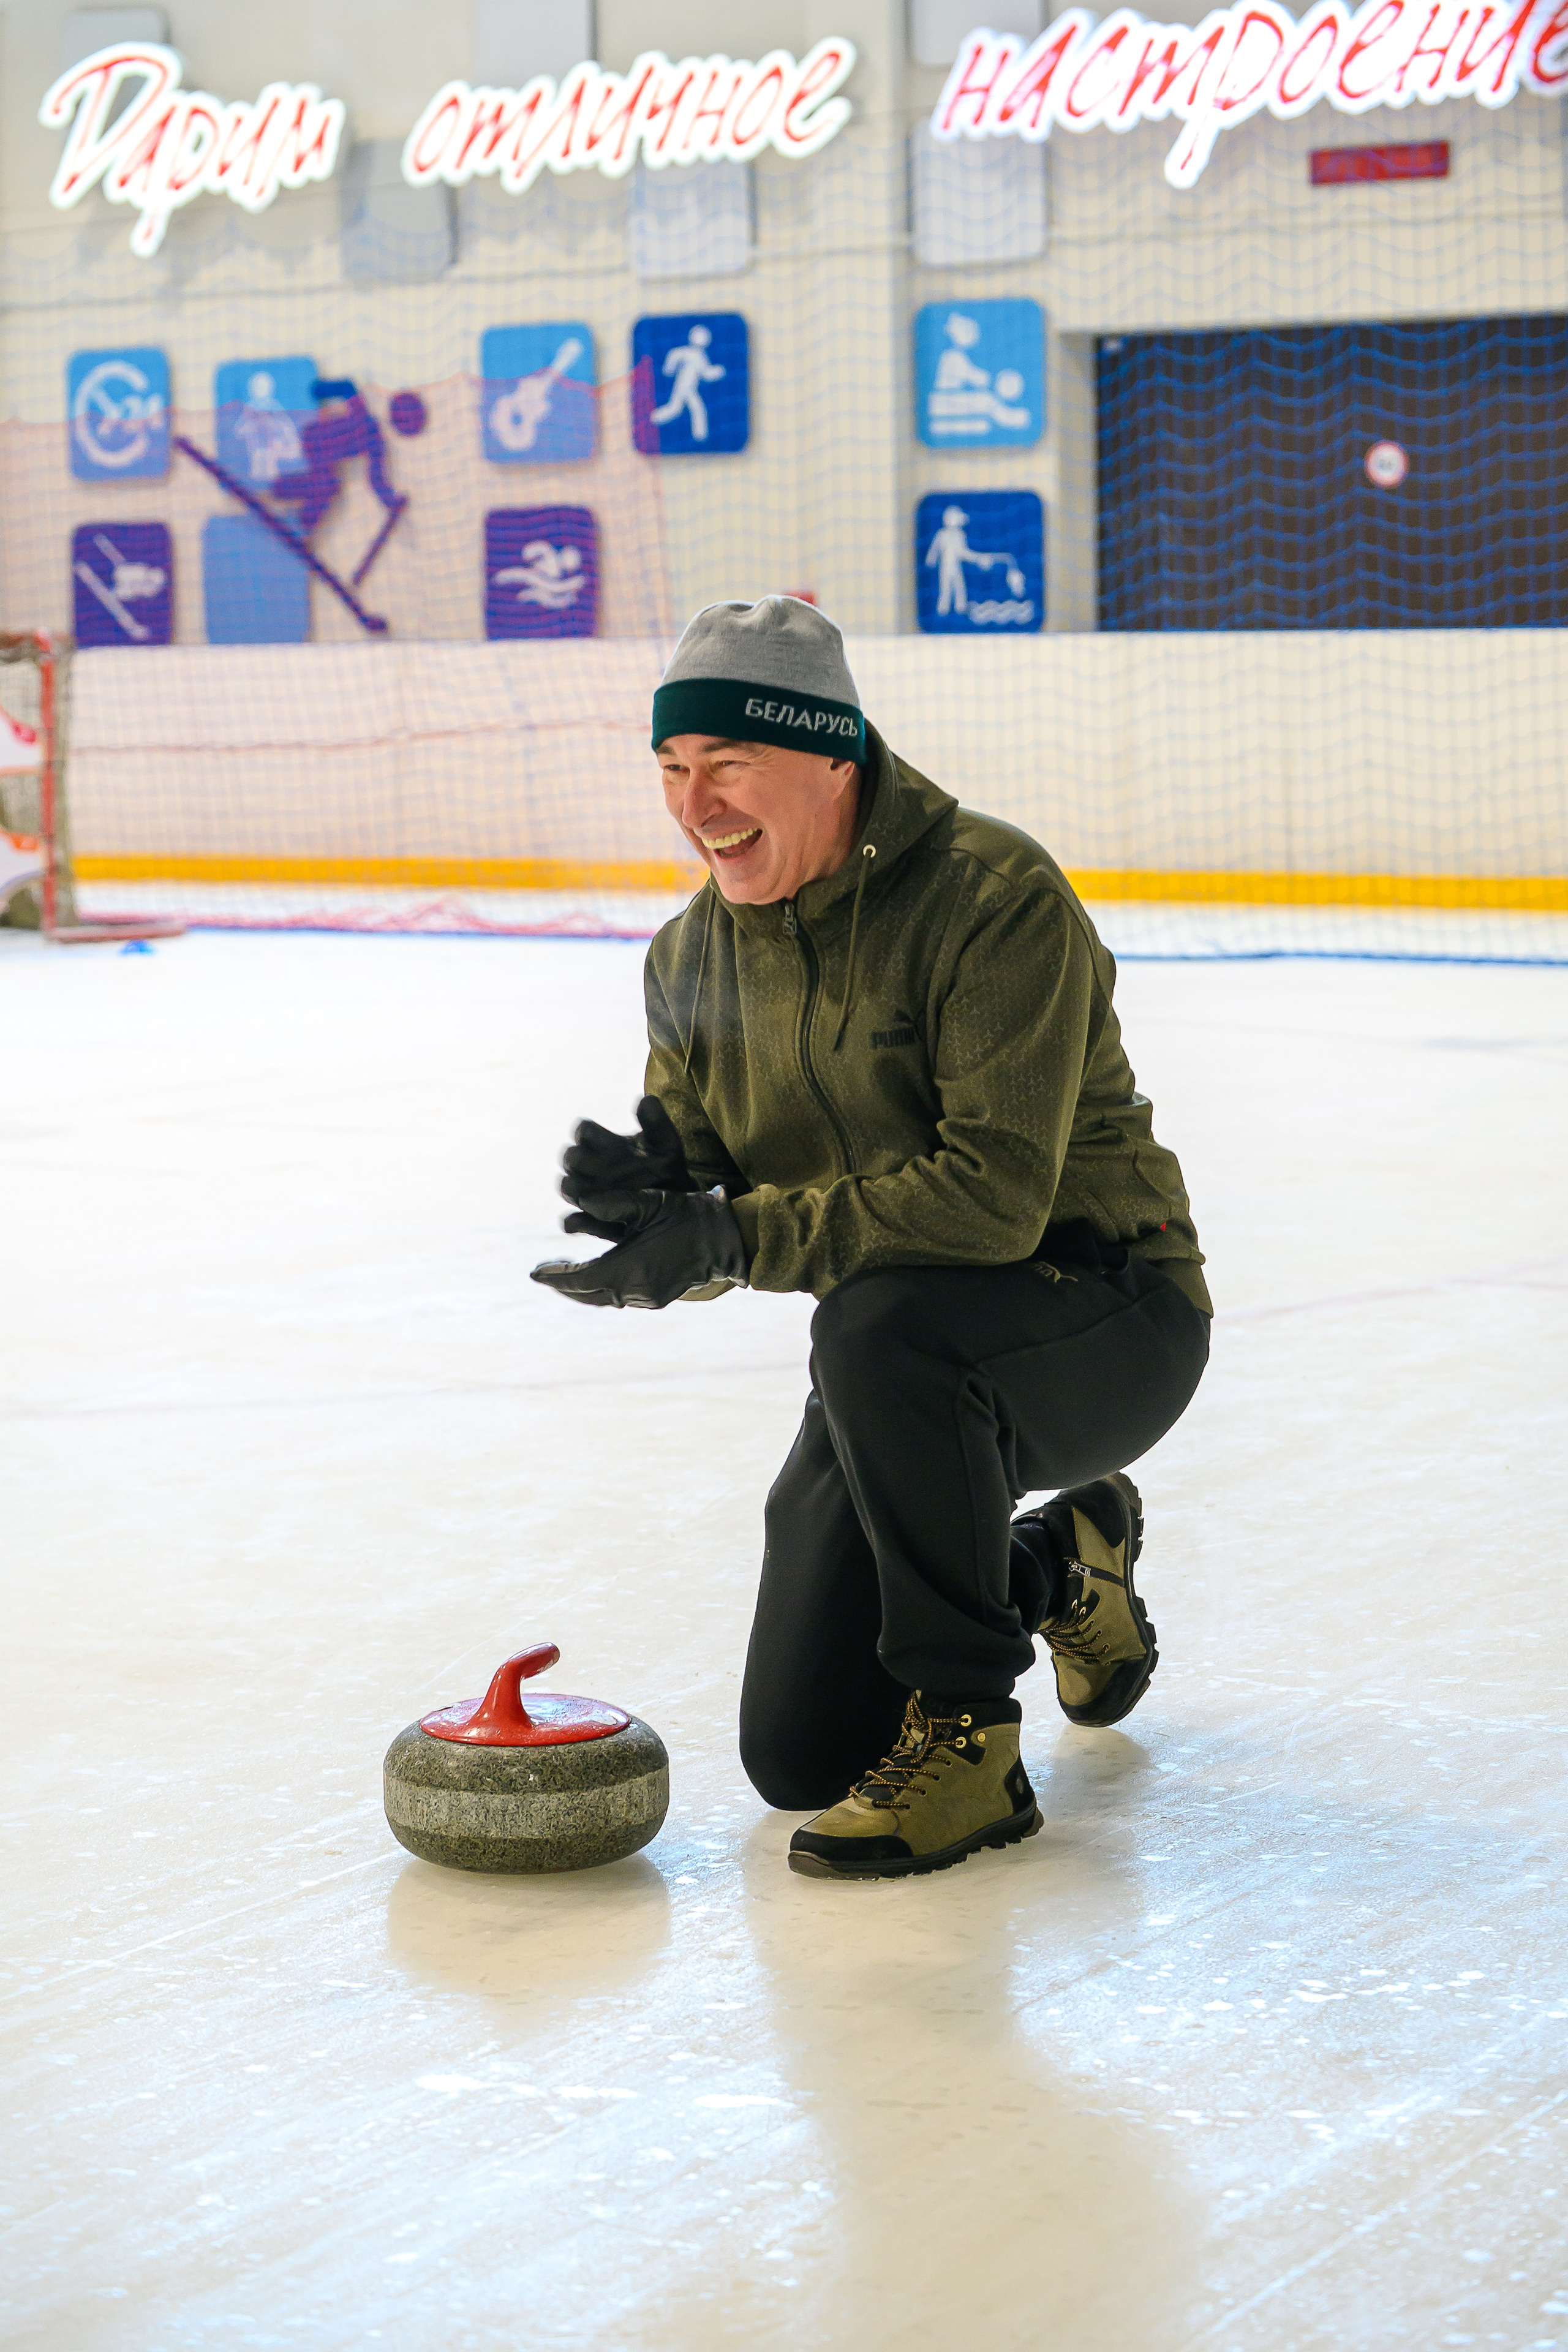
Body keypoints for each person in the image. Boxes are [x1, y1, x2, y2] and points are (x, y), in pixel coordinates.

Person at [533, 597, 1212, 1882]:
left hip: (1102, 1304)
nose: (696, 802)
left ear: (832, 758)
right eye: (673, 769)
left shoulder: (990, 896)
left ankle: (970, 1741)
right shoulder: (690, 957)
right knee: (802, 1755)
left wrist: (727, 1236)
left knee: (876, 1317)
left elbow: (987, 1203)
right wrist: (652, 1212)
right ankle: (1060, 1565)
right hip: (893, 1362)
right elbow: (716, 1183)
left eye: (728, 764)